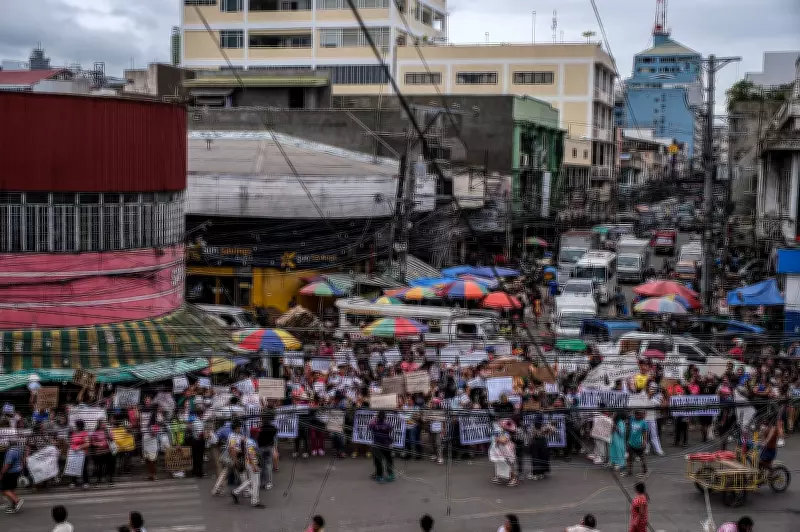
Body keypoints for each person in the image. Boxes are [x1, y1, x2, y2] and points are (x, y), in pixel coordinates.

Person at [231, 428, 264, 508]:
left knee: (251, 480)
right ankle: (255, 502)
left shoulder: (248, 440)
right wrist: (254, 466)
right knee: (256, 483)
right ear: (255, 434)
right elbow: (251, 454)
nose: (258, 434)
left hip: (248, 463)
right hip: (252, 463)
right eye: (257, 433)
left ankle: (235, 492)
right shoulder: (251, 442)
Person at [212, 421, 243, 496]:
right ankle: (246, 491)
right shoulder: (233, 436)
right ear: (236, 428)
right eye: (239, 427)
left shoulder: (235, 435)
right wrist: (235, 460)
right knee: (242, 474)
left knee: (224, 473)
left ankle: (216, 489)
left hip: (232, 457)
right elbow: (232, 449)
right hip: (232, 457)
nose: (240, 429)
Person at [369, 411, 395, 483]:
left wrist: (373, 421)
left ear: (377, 417)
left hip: (377, 445)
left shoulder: (373, 424)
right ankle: (390, 474)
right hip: (386, 445)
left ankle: (379, 476)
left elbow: (369, 427)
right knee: (388, 460)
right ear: (385, 417)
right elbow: (391, 429)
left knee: (378, 461)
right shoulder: (387, 424)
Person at [0, 441, 25, 513]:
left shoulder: (10, 452)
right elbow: (22, 460)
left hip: (10, 473)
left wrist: (1, 473)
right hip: (16, 471)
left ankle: (17, 501)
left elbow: (7, 464)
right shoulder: (18, 450)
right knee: (10, 489)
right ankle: (13, 505)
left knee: (5, 490)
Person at [623, 410, 649, 478]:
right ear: (635, 414)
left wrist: (644, 442)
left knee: (642, 458)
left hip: (639, 444)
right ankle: (629, 471)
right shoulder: (632, 419)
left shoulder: (644, 423)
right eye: (639, 414)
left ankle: (645, 471)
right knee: (629, 458)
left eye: (641, 414)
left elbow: (644, 433)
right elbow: (626, 414)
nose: (641, 416)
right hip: (631, 443)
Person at [257, 415, 277, 490]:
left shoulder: (260, 428)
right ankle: (268, 483)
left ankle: (262, 482)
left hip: (261, 448)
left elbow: (257, 437)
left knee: (262, 466)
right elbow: (275, 434)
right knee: (268, 465)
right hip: (269, 448)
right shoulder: (273, 428)